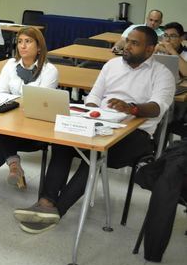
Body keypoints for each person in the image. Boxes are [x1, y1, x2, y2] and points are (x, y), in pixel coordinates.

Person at [14, 26, 175, 234]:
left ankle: (56, 210)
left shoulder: (162, 74)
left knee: (95, 154)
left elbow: (157, 107)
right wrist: (90, 112)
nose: (127, 47)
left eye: (135, 44)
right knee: (63, 143)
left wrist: (132, 108)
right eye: (127, 41)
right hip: (102, 123)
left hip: (136, 134)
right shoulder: (112, 65)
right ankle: (46, 201)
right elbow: (94, 97)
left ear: (150, 49)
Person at [0, 27, 58, 201]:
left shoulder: (49, 70)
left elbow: (40, 103)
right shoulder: (10, 65)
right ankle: (13, 163)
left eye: (28, 42)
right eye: (20, 41)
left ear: (39, 47)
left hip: (33, 126)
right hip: (8, 120)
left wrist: (15, 101)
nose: (22, 46)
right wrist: (16, 102)